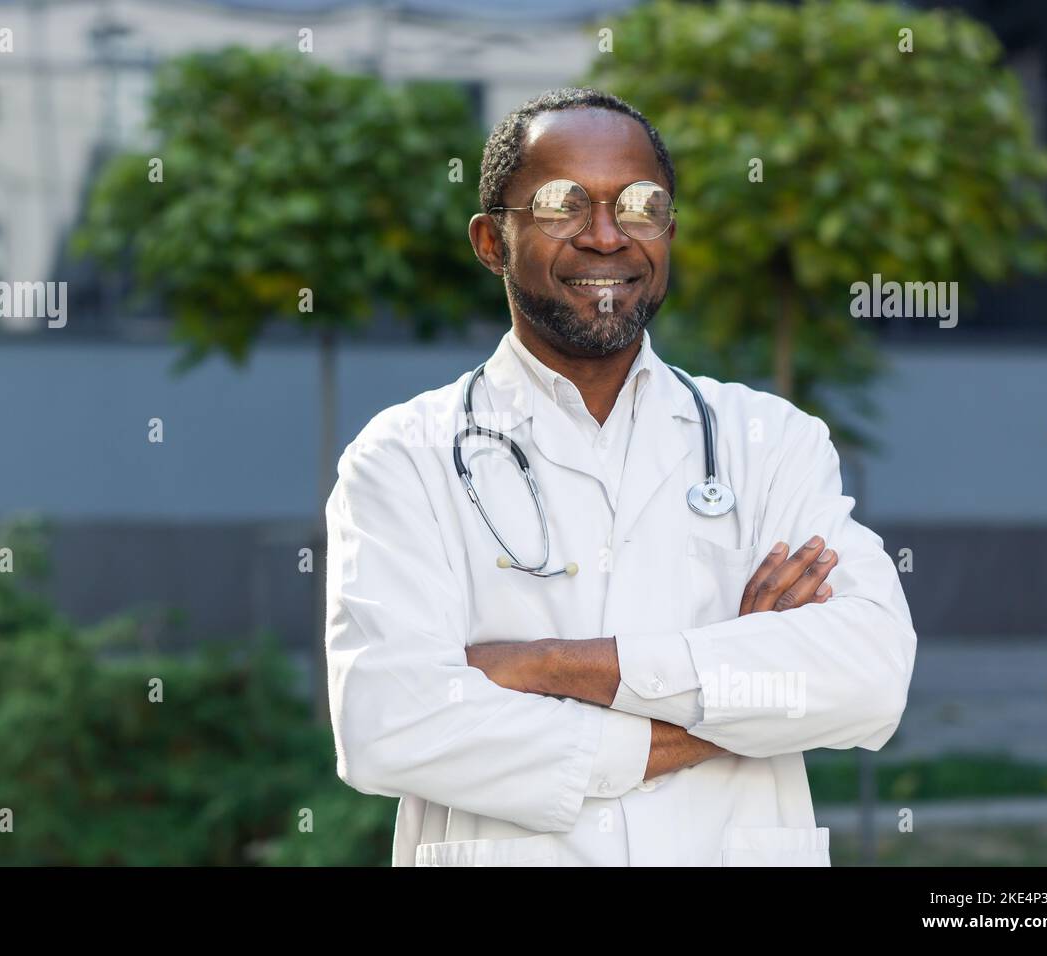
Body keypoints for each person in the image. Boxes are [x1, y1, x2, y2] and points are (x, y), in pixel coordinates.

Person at [323, 88, 916, 867]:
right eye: (563, 204)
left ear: (668, 229)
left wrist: (549, 666)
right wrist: (725, 690)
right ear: (490, 242)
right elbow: (388, 727)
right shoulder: (406, 456)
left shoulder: (768, 442)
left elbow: (868, 679)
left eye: (640, 205)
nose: (606, 237)